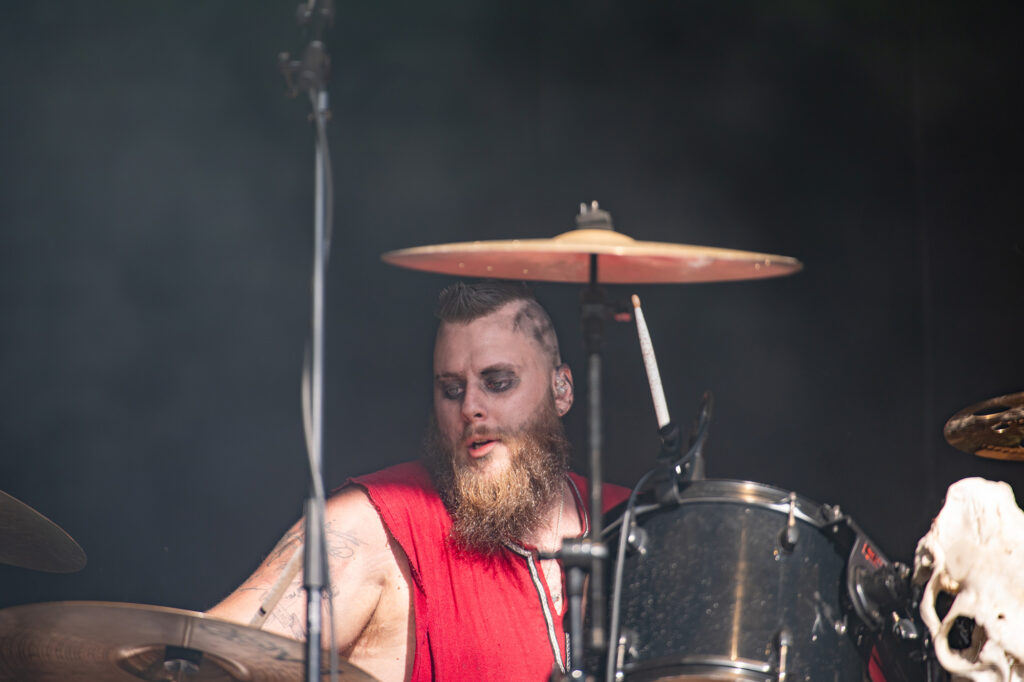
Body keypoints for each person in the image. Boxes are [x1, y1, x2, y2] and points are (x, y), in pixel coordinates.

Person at [209, 281, 630, 682]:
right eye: (452, 390)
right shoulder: (375, 522)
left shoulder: (632, 519)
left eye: (498, 383)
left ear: (562, 389)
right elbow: (205, 660)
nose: (470, 407)